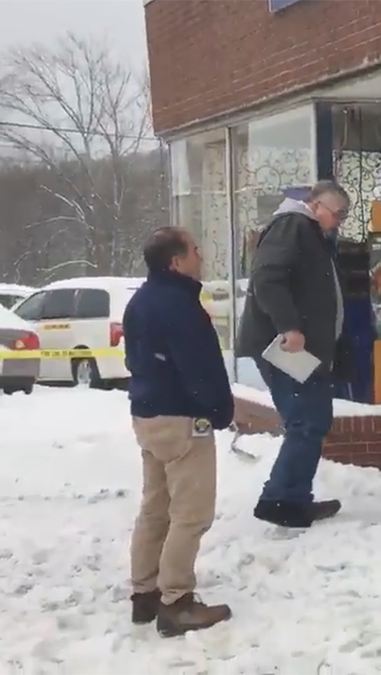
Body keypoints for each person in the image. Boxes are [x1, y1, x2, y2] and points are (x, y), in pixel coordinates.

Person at [124, 226, 234, 637]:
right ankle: (177, 601)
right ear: (176, 260)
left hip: (149, 414)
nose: (201, 257)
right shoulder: (180, 305)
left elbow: (137, 358)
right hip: (184, 419)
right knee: (191, 514)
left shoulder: (141, 301)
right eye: (195, 251)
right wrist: (219, 410)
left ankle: (145, 593)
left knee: (155, 507)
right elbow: (199, 367)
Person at [236, 180, 353, 529]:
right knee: (307, 421)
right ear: (316, 206)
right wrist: (289, 327)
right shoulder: (292, 226)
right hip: (286, 347)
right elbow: (267, 279)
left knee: (310, 420)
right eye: (338, 214)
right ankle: (281, 499)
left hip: (300, 348)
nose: (340, 222)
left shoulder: (311, 233)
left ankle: (292, 496)